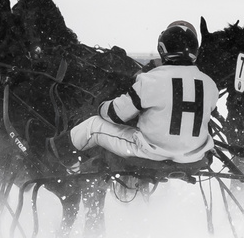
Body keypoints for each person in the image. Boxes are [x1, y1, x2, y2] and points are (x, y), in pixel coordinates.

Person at [61, 20, 218, 166]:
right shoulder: (210, 85)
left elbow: (116, 115)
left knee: (92, 125)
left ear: (162, 49)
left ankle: (57, 159)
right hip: (194, 155)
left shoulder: (151, 80)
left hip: (151, 152)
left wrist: (101, 105)